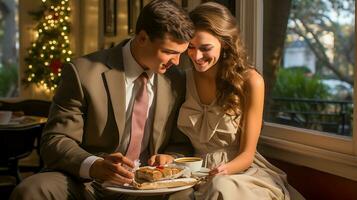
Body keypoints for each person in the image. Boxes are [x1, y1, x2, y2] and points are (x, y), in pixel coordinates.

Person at [10, 0, 193, 199]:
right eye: (169, 52)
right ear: (142, 38)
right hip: (90, 183)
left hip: (152, 186)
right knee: (32, 189)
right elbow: (55, 140)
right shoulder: (82, 72)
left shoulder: (177, 80)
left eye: (180, 54)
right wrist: (94, 166)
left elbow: (180, 143)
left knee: (185, 194)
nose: (176, 62)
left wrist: (170, 158)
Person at [168, 2, 302, 200]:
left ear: (225, 43)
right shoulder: (182, 79)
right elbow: (177, 141)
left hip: (238, 171)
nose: (196, 56)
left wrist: (220, 172)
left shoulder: (251, 81)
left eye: (205, 48)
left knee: (221, 187)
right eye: (191, 47)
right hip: (193, 171)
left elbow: (247, 154)